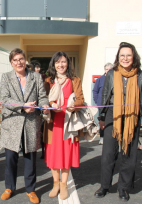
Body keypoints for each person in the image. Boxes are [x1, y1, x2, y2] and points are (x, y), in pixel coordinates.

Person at [0, 48, 49, 204]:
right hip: (12, 122)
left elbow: (42, 97)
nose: (18, 62)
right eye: (15, 60)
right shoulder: (6, 77)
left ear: (25, 60)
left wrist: (45, 105)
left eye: (21, 59)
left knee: (30, 158)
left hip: (31, 122)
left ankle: (31, 189)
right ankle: (9, 187)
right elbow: (4, 99)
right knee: (10, 158)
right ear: (11, 63)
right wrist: (22, 106)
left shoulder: (36, 77)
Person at [94, 42, 142, 202]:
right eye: (122, 55)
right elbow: (105, 95)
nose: (125, 58)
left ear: (133, 57)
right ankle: (105, 186)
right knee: (108, 154)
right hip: (112, 115)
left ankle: (123, 188)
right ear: (118, 57)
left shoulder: (140, 75)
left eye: (128, 55)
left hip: (132, 116)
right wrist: (101, 117)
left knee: (129, 154)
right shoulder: (112, 74)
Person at [44, 51, 84, 200]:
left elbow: (81, 99)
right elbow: (44, 99)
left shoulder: (75, 80)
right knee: (54, 156)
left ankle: (64, 184)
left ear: (68, 63)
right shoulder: (49, 81)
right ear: (53, 65)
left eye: (63, 62)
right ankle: (55, 184)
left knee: (66, 155)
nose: (60, 65)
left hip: (69, 124)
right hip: (53, 124)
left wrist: (74, 105)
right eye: (57, 62)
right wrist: (51, 104)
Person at [92, 63, 113, 145]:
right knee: (102, 122)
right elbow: (95, 91)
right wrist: (97, 101)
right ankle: (102, 138)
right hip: (102, 105)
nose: (108, 71)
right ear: (105, 70)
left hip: (112, 105)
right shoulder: (100, 79)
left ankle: (111, 138)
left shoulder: (114, 78)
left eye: (110, 69)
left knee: (111, 122)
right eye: (107, 69)